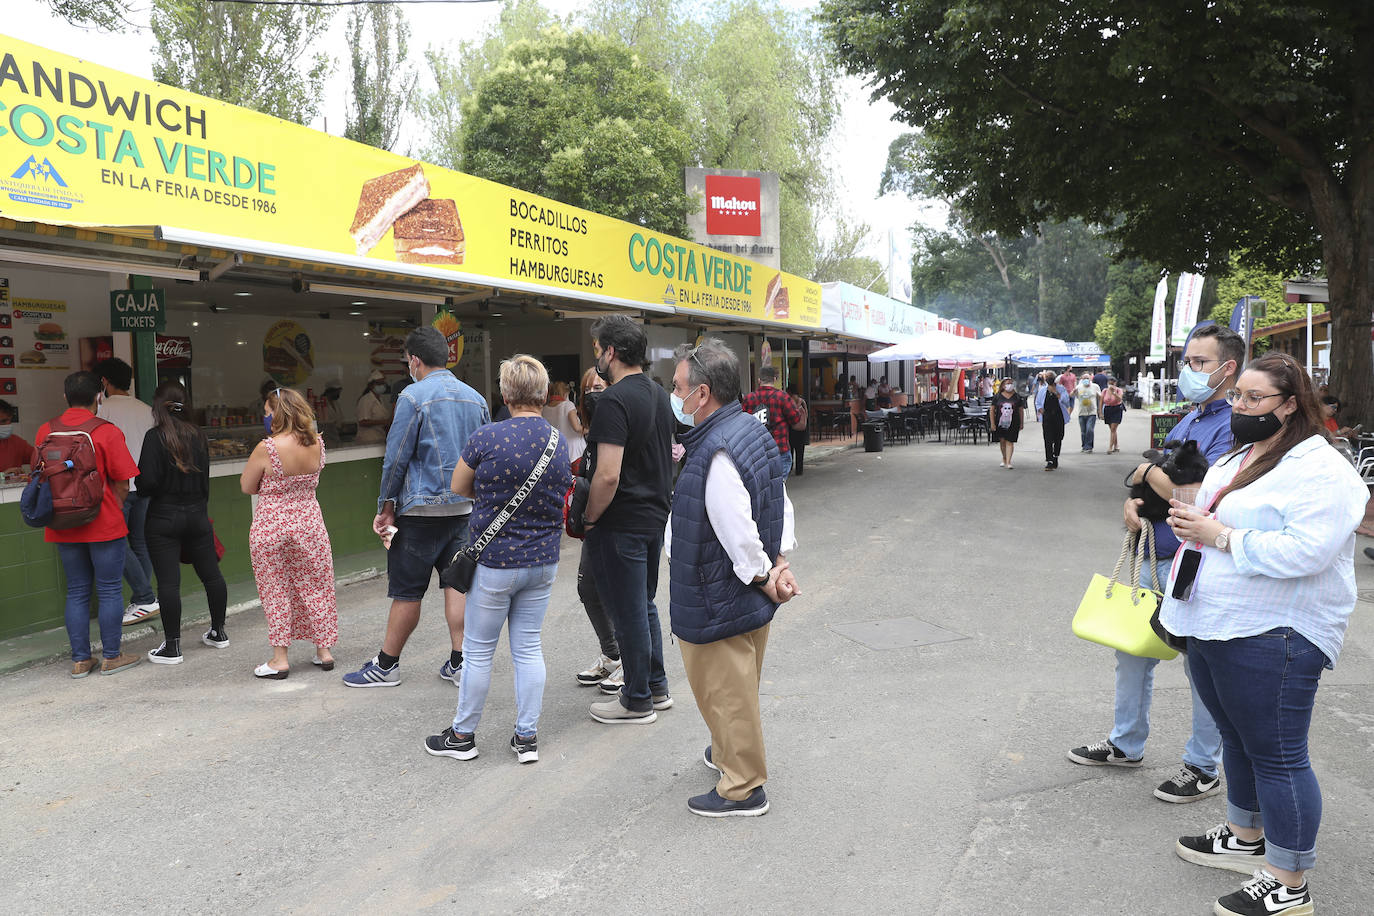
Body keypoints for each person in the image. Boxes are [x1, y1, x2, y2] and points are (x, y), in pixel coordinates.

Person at [1160, 353, 1367, 916]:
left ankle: (1289, 878)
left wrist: (1220, 535)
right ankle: (1244, 835)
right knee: (1237, 737)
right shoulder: (1245, 453)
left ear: (1291, 404)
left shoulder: (1322, 469)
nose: (1241, 407)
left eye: (1254, 399)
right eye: (1237, 397)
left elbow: (1308, 551)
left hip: (1274, 631)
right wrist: (1181, 515)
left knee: (1278, 755)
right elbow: (1214, 514)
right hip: (1215, 619)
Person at [1068, 323, 1244, 803]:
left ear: (1228, 369)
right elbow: (1158, 485)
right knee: (1131, 650)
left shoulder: (1232, 426)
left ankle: (1202, 766)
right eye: (1187, 361)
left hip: (1191, 561)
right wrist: (1132, 503)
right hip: (1153, 549)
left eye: (1199, 363)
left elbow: (1196, 497)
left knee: (1200, 668)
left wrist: (1146, 471)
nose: (1189, 370)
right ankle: (1126, 744)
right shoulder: (1190, 419)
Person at [665, 339, 799, 816]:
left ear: (702, 394)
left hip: (717, 591)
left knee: (724, 688)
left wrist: (765, 574)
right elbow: (777, 500)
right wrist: (779, 561)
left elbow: (736, 528)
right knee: (737, 686)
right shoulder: (750, 430)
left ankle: (742, 787)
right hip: (739, 594)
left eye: (678, 387)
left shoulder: (714, 452)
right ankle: (727, 752)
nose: (674, 395)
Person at [424, 356, 572, 764]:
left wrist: (491, 500)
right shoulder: (559, 441)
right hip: (543, 561)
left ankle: (462, 735)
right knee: (527, 648)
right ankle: (526, 738)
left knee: (478, 651)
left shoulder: (486, 438)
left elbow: (458, 486)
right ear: (543, 394)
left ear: (505, 394)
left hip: (495, 562)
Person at [344, 327, 489, 688]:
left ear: (415, 360)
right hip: (463, 511)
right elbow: (485, 456)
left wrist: (385, 507)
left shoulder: (412, 397)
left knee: (407, 591)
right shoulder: (476, 399)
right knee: (457, 585)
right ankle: (461, 662)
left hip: (420, 512)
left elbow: (396, 458)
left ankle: (386, 665)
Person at [583, 315, 675, 724]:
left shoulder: (613, 401)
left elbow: (607, 474)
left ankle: (636, 698)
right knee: (644, 604)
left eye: (598, 350)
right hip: (654, 517)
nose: (596, 358)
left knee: (627, 610)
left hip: (621, 522)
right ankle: (655, 686)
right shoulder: (658, 394)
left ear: (611, 352)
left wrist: (588, 517)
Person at [36, 372, 142, 677]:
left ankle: (81, 660)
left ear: (65, 395)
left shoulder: (46, 429)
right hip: (103, 520)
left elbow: (40, 473)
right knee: (109, 590)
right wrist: (115, 507)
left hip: (61, 522)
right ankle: (111, 656)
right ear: (99, 396)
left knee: (77, 590)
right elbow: (123, 481)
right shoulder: (107, 431)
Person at [240, 387, 339, 679]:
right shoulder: (318, 444)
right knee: (316, 584)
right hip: (309, 522)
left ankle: (280, 659)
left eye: (268, 411)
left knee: (276, 589)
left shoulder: (266, 448)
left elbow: (247, 486)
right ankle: (324, 651)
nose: (265, 416)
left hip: (271, 524)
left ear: (277, 413)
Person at [137, 382, 229, 665]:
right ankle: (218, 632)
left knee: (168, 582)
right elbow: (204, 482)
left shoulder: (155, 437)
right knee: (211, 575)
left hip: (163, 517)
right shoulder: (199, 435)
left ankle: (173, 646)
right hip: (197, 514)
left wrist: (140, 481)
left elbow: (147, 483)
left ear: (157, 407)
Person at [92, 358, 159, 627]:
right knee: (140, 543)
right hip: (144, 486)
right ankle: (143, 600)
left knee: (118, 543)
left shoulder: (101, 411)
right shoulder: (147, 410)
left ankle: (144, 598)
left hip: (117, 488)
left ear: (104, 382)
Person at [571, 366, 621, 688]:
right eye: (590, 389)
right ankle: (612, 654)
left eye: (601, 387)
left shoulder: (615, 428)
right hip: (595, 526)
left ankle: (629, 663)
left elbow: (610, 477)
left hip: (616, 523)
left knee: (620, 595)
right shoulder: (590, 436)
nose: (594, 394)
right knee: (588, 588)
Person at [740, 366, 803, 477]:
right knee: (779, 487)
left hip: (756, 451)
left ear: (759, 380)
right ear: (774, 379)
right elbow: (795, 419)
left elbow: (742, 424)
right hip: (779, 449)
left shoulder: (748, 399)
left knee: (761, 488)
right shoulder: (783, 397)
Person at [542, 380, 587, 471]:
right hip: (575, 453)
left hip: (556, 454)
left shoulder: (544, 409)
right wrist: (591, 429)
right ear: (565, 393)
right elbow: (577, 428)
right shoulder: (568, 405)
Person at [989, 378, 1025, 469]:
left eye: (1011, 383)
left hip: (1013, 423)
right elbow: (992, 409)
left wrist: (1021, 423)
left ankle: (1008, 461)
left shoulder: (1017, 397)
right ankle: (1004, 458)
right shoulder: (997, 396)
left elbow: (1021, 410)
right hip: (1000, 423)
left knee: (1010, 441)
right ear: (1003, 385)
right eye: (1007, 383)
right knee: (1002, 441)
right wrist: (992, 423)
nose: (1009, 385)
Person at [1039, 371, 1069, 471]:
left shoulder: (1061, 389)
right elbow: (1038, 402)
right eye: (1046, 377)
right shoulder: (1043, 390)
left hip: (1058, 416)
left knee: (1058, 437)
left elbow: (1066, 401)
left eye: (1050, 377)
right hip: (1047, 417)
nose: (1048, 378)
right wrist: (1039, 409)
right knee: (1047, 438)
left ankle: (1055, 456)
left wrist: (1056, 393)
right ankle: (1049, 460)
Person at [354, 369, 392, 445]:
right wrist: (384, 422)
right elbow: (363, 422)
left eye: (383, 383)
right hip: (367, 440)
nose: (382, 386)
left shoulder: (380, 399)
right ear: (371, 385)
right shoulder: (366, 399)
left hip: (379, 438)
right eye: (379, 384)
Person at [0, 399, 32, 474]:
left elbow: (38, 458)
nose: (3, 425)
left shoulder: (16, 442)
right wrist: (3, 475)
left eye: (5, 421)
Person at [786, 385, 809, 476]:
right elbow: (806, 414)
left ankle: (790, 467)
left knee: (790, 449)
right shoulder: (802, 401)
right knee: (800, 451)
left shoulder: (788, 401)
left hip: (791, 429)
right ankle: (799, 470)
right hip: (802, 429)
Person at [1102, 377, 1126, 454]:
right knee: (1112, 429)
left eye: (1113, 383)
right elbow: (1101, 401)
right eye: (1110, 383)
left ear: (1115, 383)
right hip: (1108, 409)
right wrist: (1100, 412)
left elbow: (1120, 399)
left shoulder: (1119, 390)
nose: (1111, 385)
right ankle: (1116, 445)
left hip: (1117, 409)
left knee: (1113, 428)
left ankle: (1110, 447)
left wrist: (1114, 393)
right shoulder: (1105, 391)